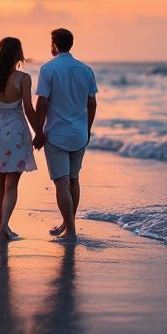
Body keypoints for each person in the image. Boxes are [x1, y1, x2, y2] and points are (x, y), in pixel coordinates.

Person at [32, 28, 97, 242]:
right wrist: (87, 129)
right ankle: (68, 223)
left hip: (57, 134)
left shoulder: (48, 69)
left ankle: (71, 230)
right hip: (79, 133)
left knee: (61, 182)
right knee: (74, 180)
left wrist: (39, 131)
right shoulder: (86, 70)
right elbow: (91, 102)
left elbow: (41, 103)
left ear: (54, 45)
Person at [0, 37, 41, 241]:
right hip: (16, 131)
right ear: (18, 54)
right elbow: (29, 109)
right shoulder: (23, 79)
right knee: (11, 184)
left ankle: (2, 226)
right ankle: (4, 226)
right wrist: (39, 131)